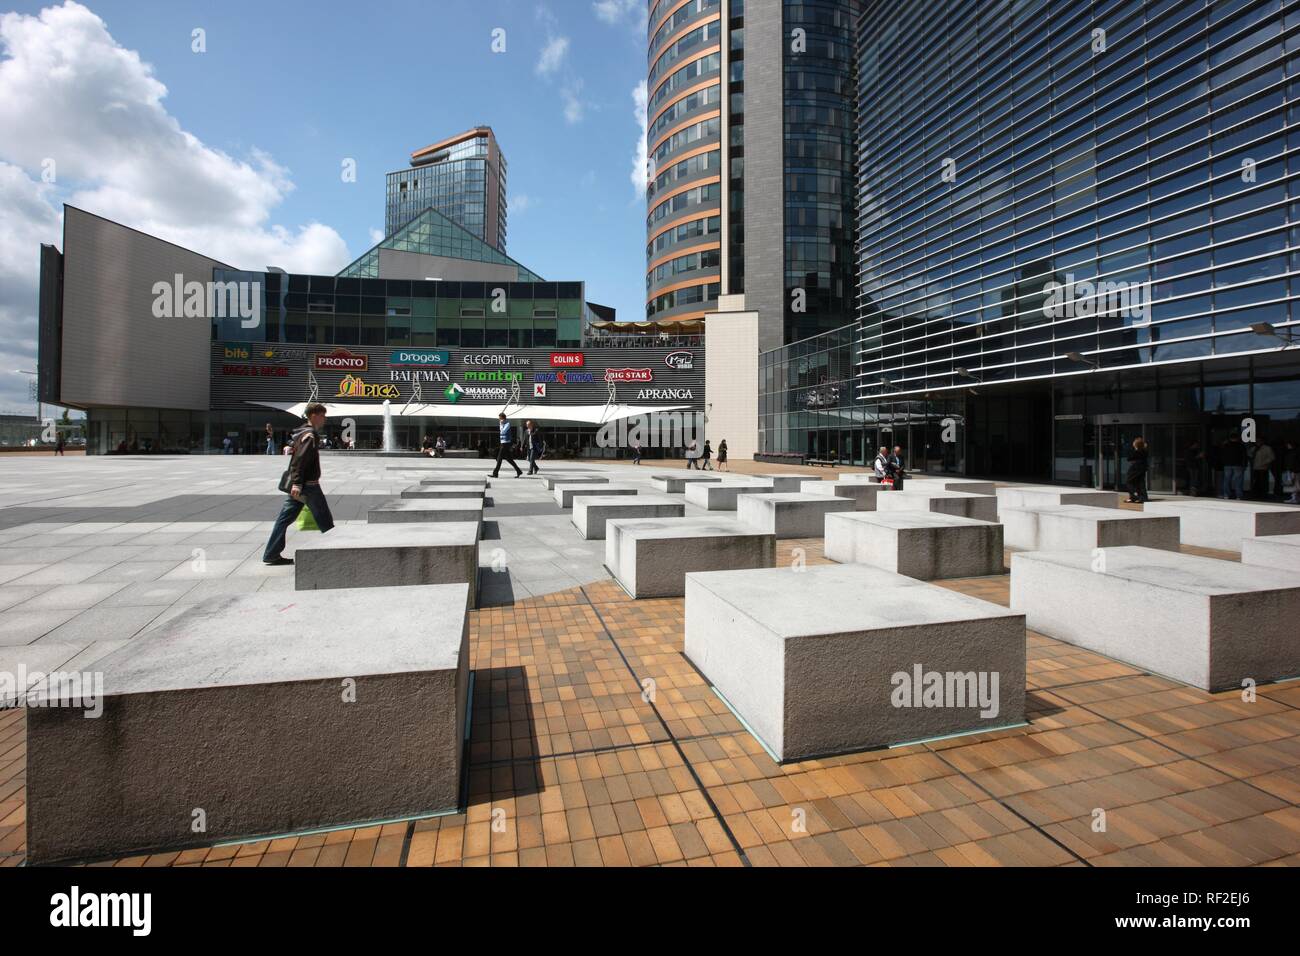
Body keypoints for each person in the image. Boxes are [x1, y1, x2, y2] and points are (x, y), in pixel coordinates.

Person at [262, 403, 335, 566]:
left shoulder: (303, 432)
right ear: (314, 415)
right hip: (309, 486)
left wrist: (296, 483)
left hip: (302, 485)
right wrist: (297, 483)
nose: (325, 419)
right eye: (323, 415)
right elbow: (299, 461)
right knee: (324, 519)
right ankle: (335, 550)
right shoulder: (309, 435)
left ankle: (271, 553)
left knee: (284, 519)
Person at [491, 413, 523, 478]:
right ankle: (519, 471)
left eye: (500, 418)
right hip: (503, 443)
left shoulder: (507, 424)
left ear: (503, 418)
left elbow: (503, 431)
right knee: (509, 459)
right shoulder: (502, 424)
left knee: (499, 458)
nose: (499, 420)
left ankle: (495, 474)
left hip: (506, 443)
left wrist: (501, 424)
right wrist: (501, 424)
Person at [1221, 433, 1246, 500]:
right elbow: (1244, 456)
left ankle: (1226, 495)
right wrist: (1244, 465)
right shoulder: (1241, 446)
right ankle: (1238, 496)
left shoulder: (1226, 446)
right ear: (1237, 438)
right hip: (1238, 464)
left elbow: (1222, 455)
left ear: (1230, 438)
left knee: (1226, 480)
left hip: (1227, 465)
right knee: (1238, 480)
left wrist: (1224, 463)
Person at [1125, 436, 1150, 504]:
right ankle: (1142, 497)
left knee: (1129, 482)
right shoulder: (1144, 451)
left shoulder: (1136, 452)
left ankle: (1135, 496)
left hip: (1135, 469)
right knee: (1140, 483)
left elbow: (1129, 458)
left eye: (1134, 443)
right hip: (1142, 469)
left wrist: (1135, 449)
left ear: (1136, 445)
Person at [1283, 440, 1299, 505]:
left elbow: (1294, 462)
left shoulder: (1294, 452)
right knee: (1294, 484)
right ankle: (1294, 498)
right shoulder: (1291, 452)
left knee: (1295, 484)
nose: (1287, 446)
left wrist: (1293, 470)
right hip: (1293, 470)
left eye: (1288, 444)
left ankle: (1295, 498)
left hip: (1294, 470)